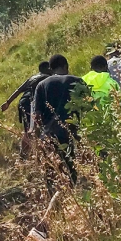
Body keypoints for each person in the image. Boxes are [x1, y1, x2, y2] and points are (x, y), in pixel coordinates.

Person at [29, 55, 87, 183]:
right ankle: (70, 198)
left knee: (52, 174)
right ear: (66, 66)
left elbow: (37, 116)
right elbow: (86, 111)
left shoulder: (42, 85)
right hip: (72, 134)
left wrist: (38, 139)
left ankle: (56, 199)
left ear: (50, 69)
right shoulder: (78, 82)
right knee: (71, 173)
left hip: (50, 135)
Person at [0, 61, 51, 134]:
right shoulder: (47, 78)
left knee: (28, 128)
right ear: (47, 68)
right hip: (32, 102)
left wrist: (8, 102)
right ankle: (34, 143)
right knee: (35, 130)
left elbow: (18, 90)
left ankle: (28, 143)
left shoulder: (32, 78)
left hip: (23, 102)